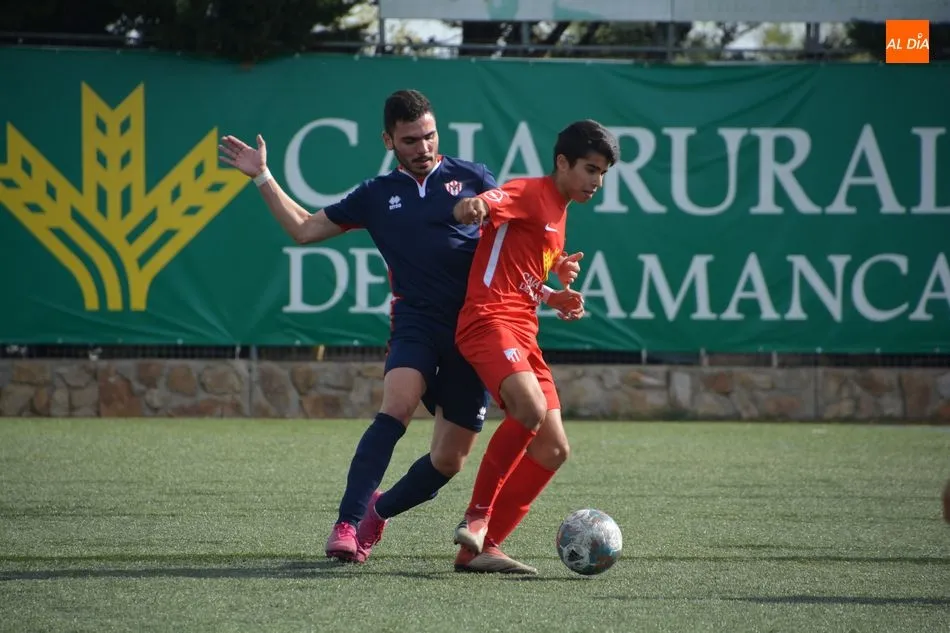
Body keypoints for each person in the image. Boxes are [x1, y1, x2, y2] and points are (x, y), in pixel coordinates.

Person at [218, 90, 585, 566]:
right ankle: (347, 524)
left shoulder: (473, 178)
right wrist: (263, 176)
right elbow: (304, 229)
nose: (423, 146)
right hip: (416, 323)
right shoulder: (376, 195)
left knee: (449, 461)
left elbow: (506, 260)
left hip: (475, 330)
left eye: (429, 135)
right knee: (398, 403)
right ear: (388, 140)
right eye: (410, 139)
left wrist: (549, 291)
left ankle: (378, 511)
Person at [449, 119, 620, 574]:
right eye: (589, 169)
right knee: (528, 409)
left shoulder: (560, 213)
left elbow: (521, 273)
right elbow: (491, 201)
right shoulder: (529, 191)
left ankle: (480, 550)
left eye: (602, 173)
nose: (596, 182)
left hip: (524, 331)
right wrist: (475, 206)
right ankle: (478, 516)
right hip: (488, 320)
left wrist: (553, 293)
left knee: (554, 448)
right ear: (562, 162)